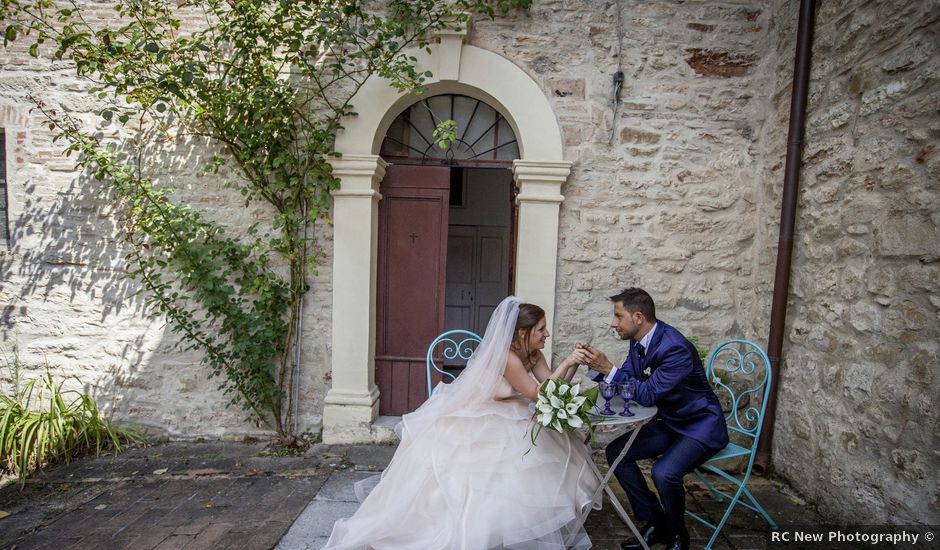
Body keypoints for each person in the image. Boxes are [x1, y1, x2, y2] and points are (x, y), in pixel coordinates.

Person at [322, 296, 601, 549]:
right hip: (481, 413)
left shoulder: (533, 354)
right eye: (541, 329)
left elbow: (552, 388)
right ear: (522, 333)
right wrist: (566, 363)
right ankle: (485, 527)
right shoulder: (507, 356)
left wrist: (573, 364)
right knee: (494, 465)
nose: (547, 334)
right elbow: (538, 395)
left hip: (511, 409)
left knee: (537, 451)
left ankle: (518, 524)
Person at [572, 288, 728, 550]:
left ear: (638, 317)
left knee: (664, 473)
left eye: (618, 316)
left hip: (699, 426)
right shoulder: (639, 340)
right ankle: (655, 521)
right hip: (669, 422)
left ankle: (678, 534)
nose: (613, 323)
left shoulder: (675, 348)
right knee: (617, 452)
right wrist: (598, 367)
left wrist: (609, 369)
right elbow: (629, 380)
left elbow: (645, 393)